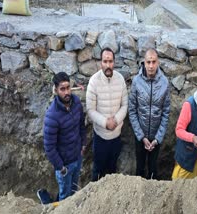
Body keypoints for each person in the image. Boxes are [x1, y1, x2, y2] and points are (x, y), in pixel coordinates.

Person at [43, 72, 87, 201]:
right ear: (56, 90)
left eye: (68, 88)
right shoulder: (52, 115)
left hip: (77, 157)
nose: (66, 92)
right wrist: (60, 167)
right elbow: (49, 147)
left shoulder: (77, 103)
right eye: (62, 89)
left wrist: (83, 144)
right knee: (65, 195)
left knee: (73, 190)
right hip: (64, 165)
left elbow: (81, 126)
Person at [86, 47, 128, 181]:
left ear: (114, 62)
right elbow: (90, 109)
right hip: (100, 137)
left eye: (110, 61)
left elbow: (125, 105)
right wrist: (105, 122)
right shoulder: (94, 81)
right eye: (105, 61)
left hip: (116, 136)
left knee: (112, 169)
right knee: (98, 169)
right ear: (100, 63)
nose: (108, 65)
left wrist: (115, 120)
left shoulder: (120, 79)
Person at [129, 48, 170, 180]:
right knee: (140, 168)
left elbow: (166, 112)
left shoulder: (164, 83)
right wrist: (141, 136)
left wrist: (158, 138)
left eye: (154, 62)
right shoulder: (136, 82)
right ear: (144, 63)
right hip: (140, 136)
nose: (151, 66)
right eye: (148, 62)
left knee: (153, 169)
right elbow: (132, 110)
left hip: (156, 138)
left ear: (158, 63)